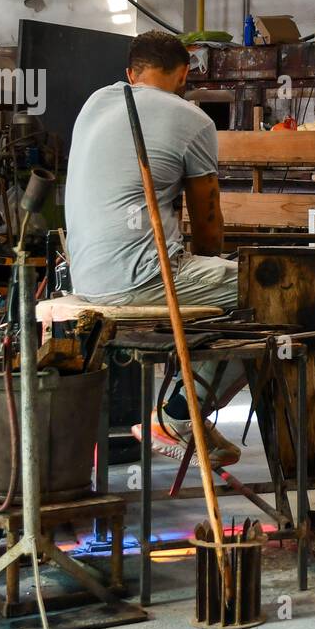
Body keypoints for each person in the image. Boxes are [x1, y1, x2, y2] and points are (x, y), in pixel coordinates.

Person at [65, 30, 243, 467]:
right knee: (281, 291)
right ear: (184, 74)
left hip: (85, 276)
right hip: (141, 281)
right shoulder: (192, 119)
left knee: (229, 288)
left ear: (130, 73)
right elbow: (207, 225)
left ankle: (187, 405)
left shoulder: (94, 104)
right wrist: (214, 262)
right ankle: (180, 414)